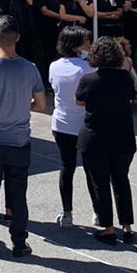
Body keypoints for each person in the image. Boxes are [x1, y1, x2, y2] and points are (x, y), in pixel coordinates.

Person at [0, 20, 46, 258]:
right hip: (19, 139)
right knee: (18, 192)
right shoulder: (30, 68)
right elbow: (41, 104)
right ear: (18, 38)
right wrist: (24, 105)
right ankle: (19, 241)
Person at [77, 36, 137, 244]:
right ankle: (127, 226)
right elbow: (130, 97)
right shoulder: (125, 78)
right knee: (121, 180)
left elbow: (79, 100)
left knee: (100, 183)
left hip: (96, 137)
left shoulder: (89, 80)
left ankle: (108, 227)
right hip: (123, 136)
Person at [47, 26, 93, 229]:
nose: (89, 45)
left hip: (61, 123)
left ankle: (67, 214)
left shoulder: (54, 66)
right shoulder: (88, 68)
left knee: (66, 168)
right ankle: (98, 212)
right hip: (84, 124)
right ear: (76, 47)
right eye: (86, 42)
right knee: (92, 169)